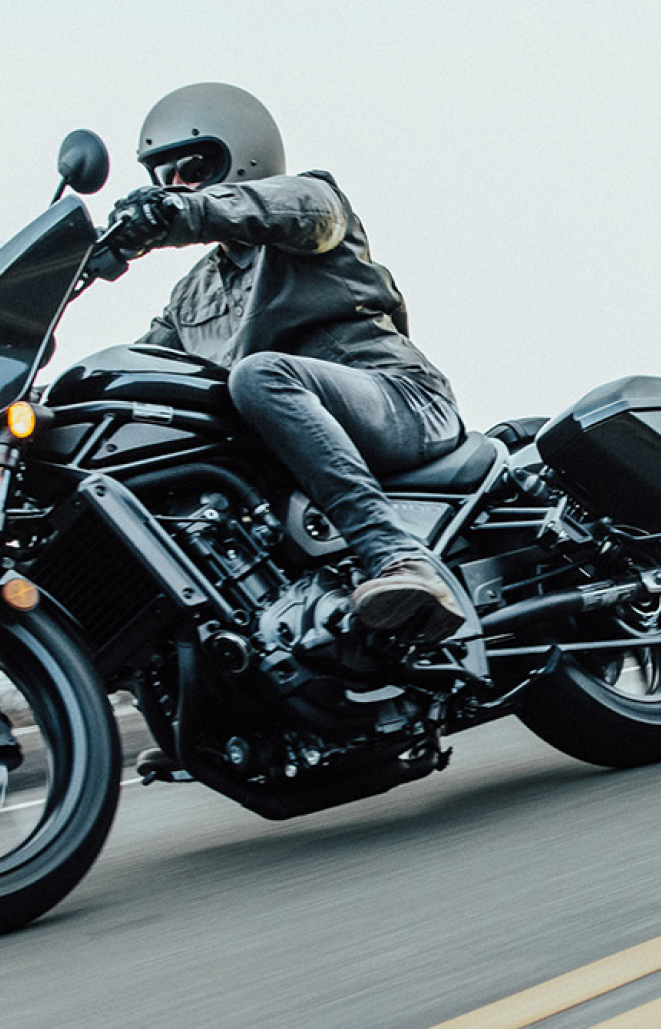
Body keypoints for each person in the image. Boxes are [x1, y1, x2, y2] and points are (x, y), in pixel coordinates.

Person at [88, 82, 468, 638]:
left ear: (245, 155)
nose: (177, 184)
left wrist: (175, 211)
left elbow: (276, 210)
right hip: (290, 445)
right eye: (163, 177)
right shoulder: (190, 296)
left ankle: (397, 558)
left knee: (260, 373)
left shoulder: (311, 206)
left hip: (401, 402)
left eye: (193, 165)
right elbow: (140, 373)